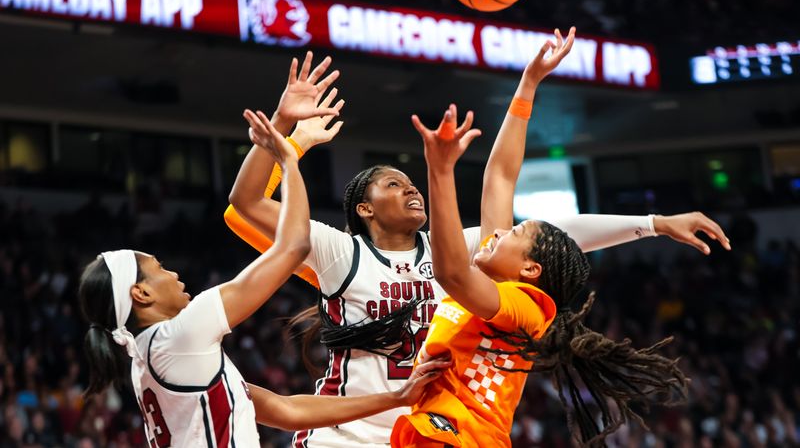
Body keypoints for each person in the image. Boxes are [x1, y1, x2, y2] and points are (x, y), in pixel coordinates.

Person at [226, 48, 730, 447]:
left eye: (413, 181)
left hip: (424, 429)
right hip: (345, 433)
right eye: (393, 185)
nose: (411, 188)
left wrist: (653, 223)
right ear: (364, 209)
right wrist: (285, 132)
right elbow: (247, 202)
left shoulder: (466, 251)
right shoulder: (339, 251)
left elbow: (547, 232)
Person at [78, 109, 449, 447]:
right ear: (140, 293)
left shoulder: (156, 356)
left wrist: (398, 398)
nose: (174, 274)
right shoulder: (182, 335)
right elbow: (291, 244)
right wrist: (290, 158)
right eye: (159, 269)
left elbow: (286, 412)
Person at [393, 102, 692, 447]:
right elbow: (500, 179)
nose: (500, 233)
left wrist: (441, 172)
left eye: (514, 234)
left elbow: (451, 273)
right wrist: (529, 84)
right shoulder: (496, 282)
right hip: (440, 431)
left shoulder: (528, 307)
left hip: (465, 439)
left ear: (530, 269)